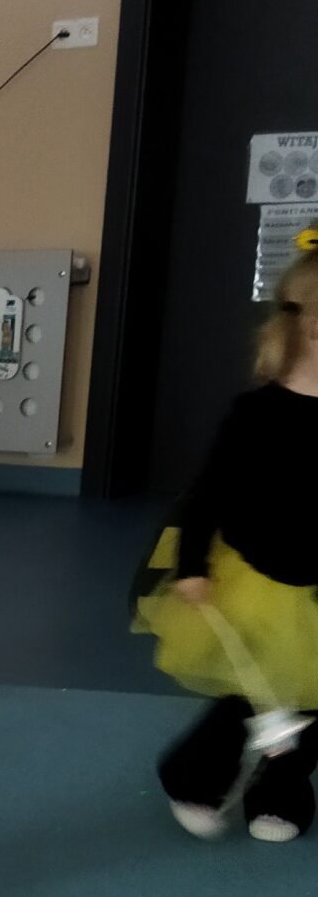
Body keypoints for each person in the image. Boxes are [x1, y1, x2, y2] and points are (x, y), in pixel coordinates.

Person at [133, 247, 318, 841]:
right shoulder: (256, 412)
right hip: (257, 578)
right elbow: (208, 495)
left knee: (311, 702)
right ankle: (193, 776)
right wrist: (191, 565)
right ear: (308, 324)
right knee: (251, 690)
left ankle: (280, 793)